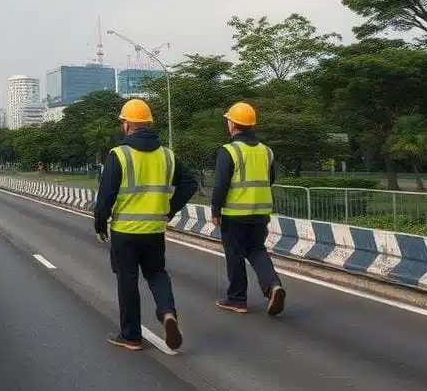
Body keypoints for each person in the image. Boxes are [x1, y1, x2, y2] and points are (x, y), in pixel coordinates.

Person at [94, 98, 198, 351]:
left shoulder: (119, 154)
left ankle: (131, 336)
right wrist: (169, 209)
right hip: (154, 230)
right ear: (149, 124)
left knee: (127, 281)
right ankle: (167, 312)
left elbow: (106, 195)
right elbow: (190, 184)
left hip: (125, 231)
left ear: (128, 125)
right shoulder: (167, 155)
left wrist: (100, 224)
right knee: (157, 274)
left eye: (123, 123)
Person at [211, 101, 286, 317]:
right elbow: (270, 179)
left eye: (228, 121)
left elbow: (220, 184)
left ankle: (237, 299)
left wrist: (216, 210)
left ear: (233, 124)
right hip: (260, 213)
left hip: (234, 214)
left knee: (235, 255)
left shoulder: (229, 151)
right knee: (256, 250)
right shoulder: (266, 151)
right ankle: (273, 285)